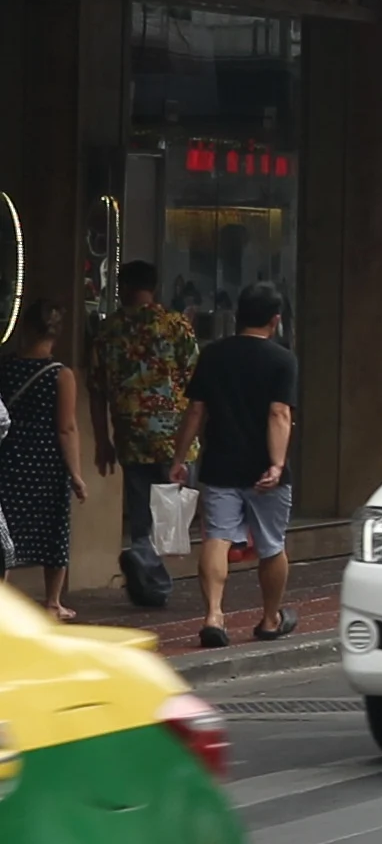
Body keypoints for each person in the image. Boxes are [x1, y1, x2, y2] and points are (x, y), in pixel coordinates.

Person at [176, 286, 300, 649]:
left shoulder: (212, 355)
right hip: (263, 468)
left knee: (217, 537)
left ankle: (214, 615)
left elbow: (196, 411)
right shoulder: (282, 359)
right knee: (272, 544)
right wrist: (276, 464)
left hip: (220, 462)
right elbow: (279, 413)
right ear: (275, 321)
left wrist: (179, 458)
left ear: (238, 316)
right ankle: (270, 618)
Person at [96, 261, 195, 608]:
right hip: (174, 435)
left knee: (142, 512)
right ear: (154, 286)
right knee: (170, 516)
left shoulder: (109, 330)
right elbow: (195, 380)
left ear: (121, 286)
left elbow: (97, 389)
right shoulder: (175, 325)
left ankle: (151, 586)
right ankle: (143, 557)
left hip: (129, 432)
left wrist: (101, 439)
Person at [0, 320, 88, 616]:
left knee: (7, 529)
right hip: (45, 461)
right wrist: (76, 473)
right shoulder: (61, 374)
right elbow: (66, 427)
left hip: (8, 456)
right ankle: (52, 602)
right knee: (53, 530)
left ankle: (4, 598)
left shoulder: (4, 367)